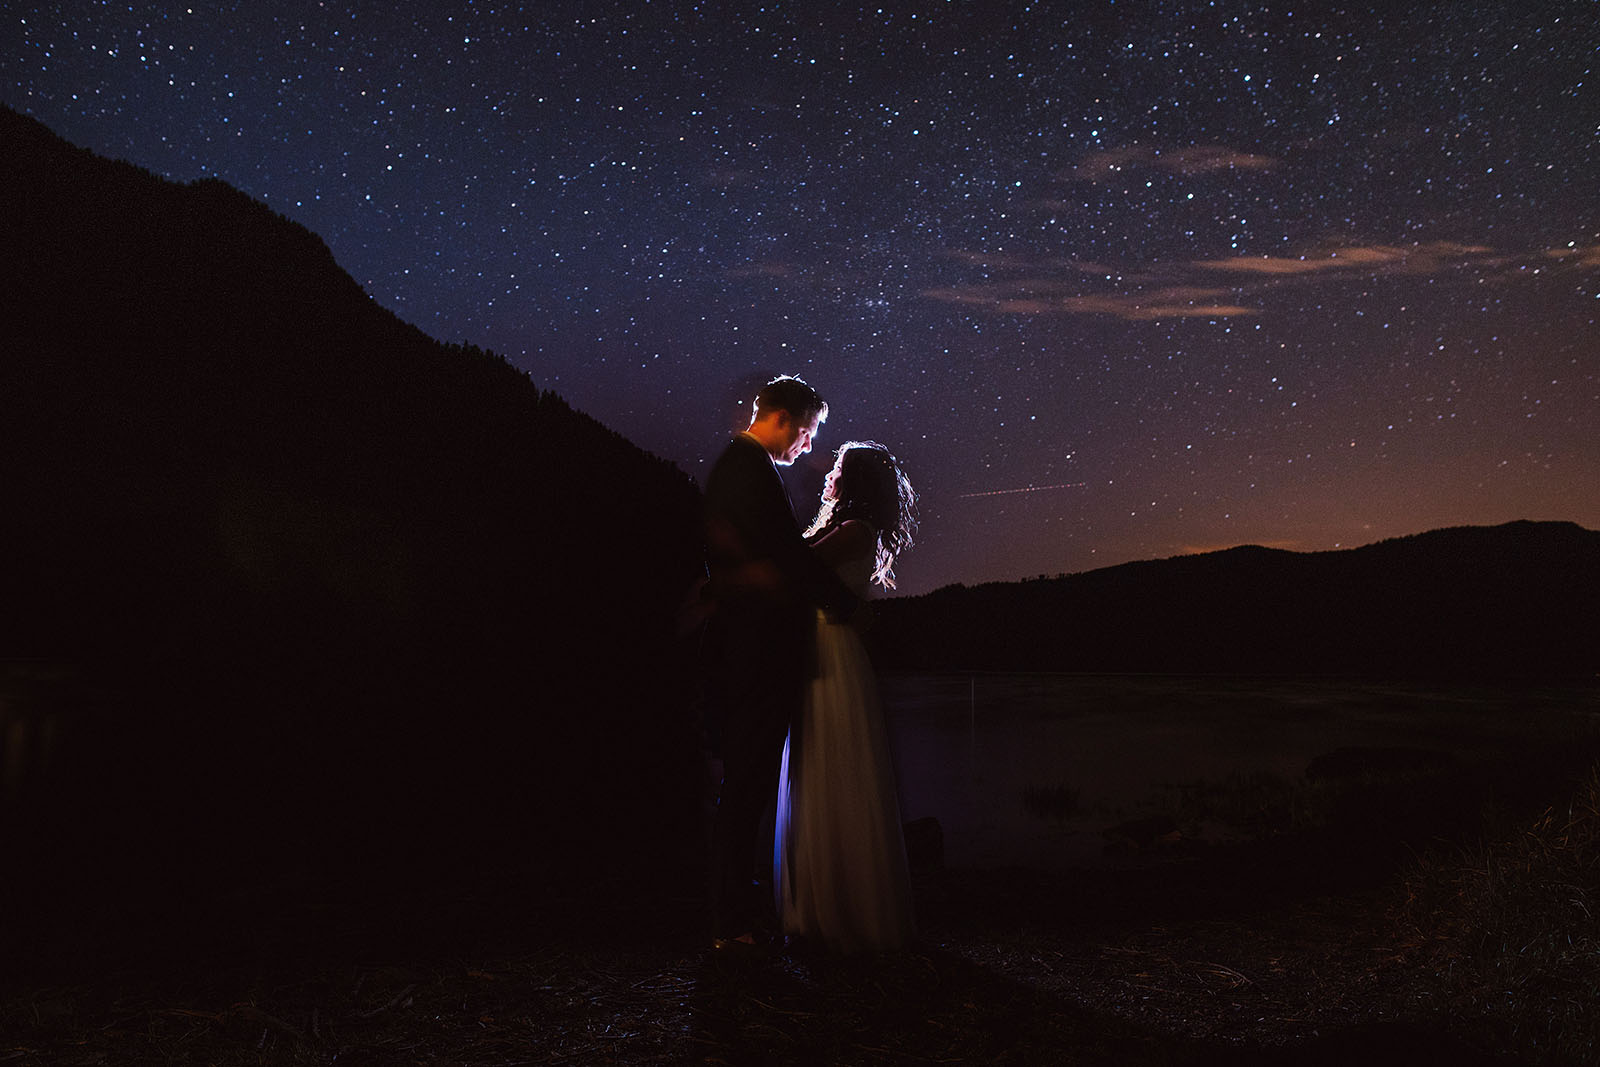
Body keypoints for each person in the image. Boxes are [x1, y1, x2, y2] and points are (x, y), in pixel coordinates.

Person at [702, 375, 858, 950]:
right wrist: (841, 601)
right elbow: (785, 557)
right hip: (755, 650)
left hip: (751, 647)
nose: (810, 446)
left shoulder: (742, 468)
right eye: (810, 432)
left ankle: (739, 913)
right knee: (747, 781)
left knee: (750, 779)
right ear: (786, 419)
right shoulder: (747, 469)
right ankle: (733, 923)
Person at [775, 441, 917, 954]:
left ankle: (839, 909)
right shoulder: (854, 529)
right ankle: (829, 905)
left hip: (831, 651)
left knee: (833, 765)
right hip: (830, 645)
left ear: (850, 481)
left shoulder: (854, 531)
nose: (829, 473)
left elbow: (799, 567)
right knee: (827, 766)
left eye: (837, 468)